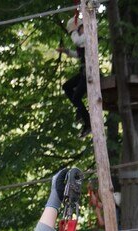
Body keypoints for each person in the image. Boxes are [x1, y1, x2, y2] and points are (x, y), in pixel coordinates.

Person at [61, 10, 91, 138]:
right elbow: (78, 54)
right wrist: (66, 51)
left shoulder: (88, 34)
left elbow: (77, 41)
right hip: (84, 72)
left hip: (90, 73)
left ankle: (88, 123)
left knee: (76, 98)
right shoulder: (83, 38)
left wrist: (74, 31)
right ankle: (80, 110)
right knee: (67, 87)